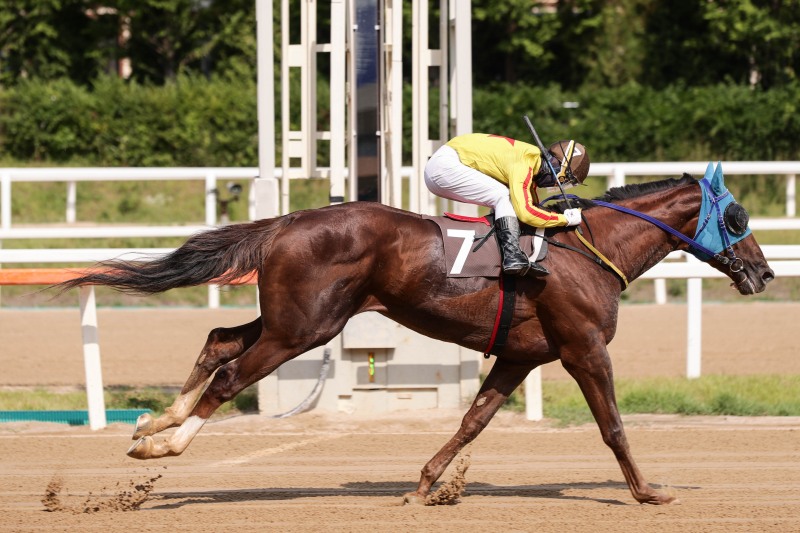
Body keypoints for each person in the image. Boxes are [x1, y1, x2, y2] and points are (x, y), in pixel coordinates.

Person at [424, 133, 590, 277]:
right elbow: (526, 213)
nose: (554, 185)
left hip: (447, 162)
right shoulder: (525, 163)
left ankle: (506, 250)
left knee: (505, 197)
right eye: (562, 181)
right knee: (503, 195)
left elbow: (533, 206)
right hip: (444, 166)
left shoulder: (531, 161)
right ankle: (511, 256)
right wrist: (565, 219)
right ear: (557, 167)